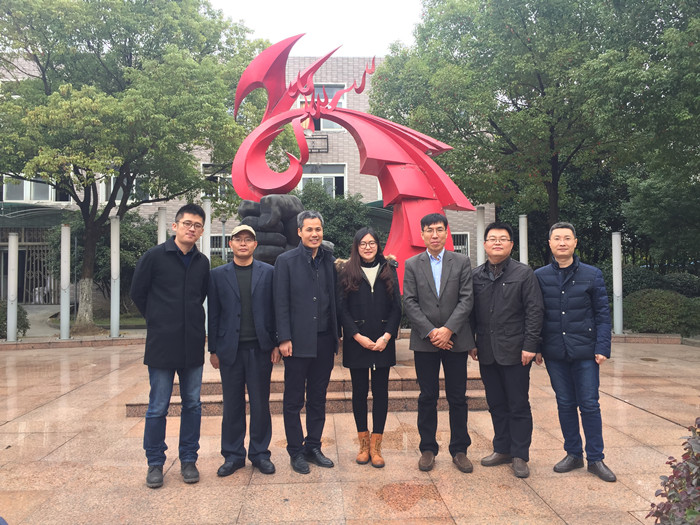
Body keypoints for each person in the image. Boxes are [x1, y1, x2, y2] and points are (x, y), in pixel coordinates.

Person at [130, 203, 209, 489]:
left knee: (193, 404)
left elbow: (200, 296)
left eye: (197, 225)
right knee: (157, 406)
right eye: (187, 223)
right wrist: (157, 319)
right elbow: (137, 292)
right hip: (162, 344)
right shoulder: (154, 256)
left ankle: (188, 459)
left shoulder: (202, 263)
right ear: (175, 226)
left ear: (201, 231)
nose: (191, 229)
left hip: (192, 344)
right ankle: (155, 463)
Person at [535, 222, 616, 482]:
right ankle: (573, 453)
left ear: (575, 242)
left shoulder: (592, 275)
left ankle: (596, 458)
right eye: (557, 238)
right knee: (565, 403)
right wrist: (537, 347)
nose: (562, 242)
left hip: (586, 353)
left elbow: (602, 314)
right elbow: (536, 315)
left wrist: (602, 347)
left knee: (589, 405)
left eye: (567, 238)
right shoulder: (540, 276)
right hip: (555, 352)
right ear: (550, 243)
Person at [469, 222, 544, 478]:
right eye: (492, 238)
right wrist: (471, 342)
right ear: (485, 244)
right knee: (496, 403)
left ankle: (520, 454)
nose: (497, 242)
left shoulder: (524, 274)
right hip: (487, 351)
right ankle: (502, 448)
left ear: (511, 245)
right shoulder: (476, 275)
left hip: (516, 351)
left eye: (503, 238)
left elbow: (534, 311)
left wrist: (530, 345)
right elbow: (470, 312)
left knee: (518, 404)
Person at [403, 213, 475, 473]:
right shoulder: (412, 264)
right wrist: (432, 332)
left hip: (456, 340)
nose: (434, 235)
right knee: (427, 396)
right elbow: (409, 301)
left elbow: (467, 299)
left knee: (458, 397)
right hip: (425, 342)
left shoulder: (461, 262)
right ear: (422, 234)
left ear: (446, 233)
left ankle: (459, 450)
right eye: (429, 230)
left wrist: (448, 331)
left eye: (439, 229)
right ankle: (427, 448)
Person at [208, 225, 280, 477]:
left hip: (260, 349)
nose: (243, 243)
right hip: (230, 350)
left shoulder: (269, 272)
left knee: (260, 404)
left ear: (255, 245)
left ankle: (260, 453)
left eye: (248, 240)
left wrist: (276, 343)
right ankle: (233, 455)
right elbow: (214, 314)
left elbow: (275, 310)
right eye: (238, 239)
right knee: (232, 404)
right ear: (230, 244)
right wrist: (213, 349)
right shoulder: (217, 275)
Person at [273, 210, 340, 474]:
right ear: (299, 232)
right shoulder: (285, 261)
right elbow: (280, 302)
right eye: (309, 229)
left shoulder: (328, 260)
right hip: (297, 343)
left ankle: (313, 446)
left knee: (317, 398)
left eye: (318, 229)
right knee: (293, 400)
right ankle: (295, 450)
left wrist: (337, 336)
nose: (314, 234)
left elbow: (334, 300)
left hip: (324, 341)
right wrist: (283, 337)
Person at [337, 227, 402, 468]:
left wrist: (387, 337)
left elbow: (397, 307)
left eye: (372, 243)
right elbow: (341, 308)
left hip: (383, 342)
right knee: (359, 393)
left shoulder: (389, 269)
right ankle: (363, 445)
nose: (367, 247)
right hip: (358, 343)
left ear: (378, 245)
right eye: (363, 243)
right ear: (356, 246)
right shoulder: (346, 271)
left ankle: (377, 447)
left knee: (381, 393)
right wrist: (356, 336)